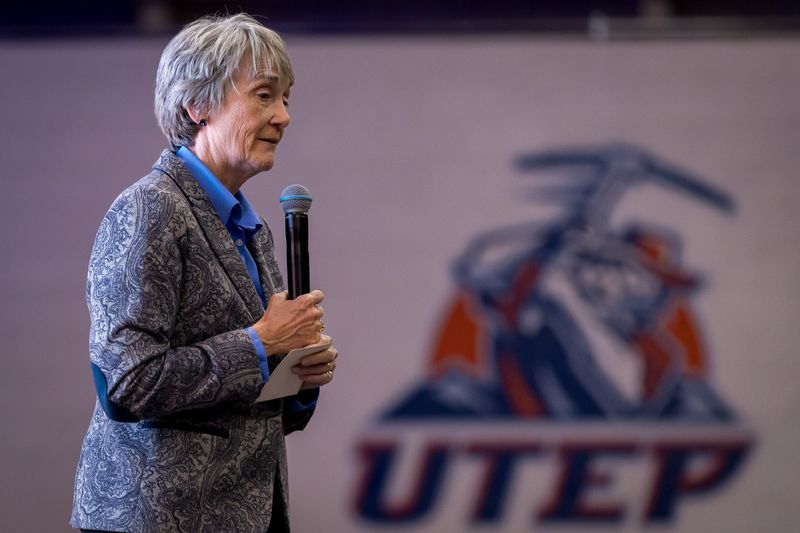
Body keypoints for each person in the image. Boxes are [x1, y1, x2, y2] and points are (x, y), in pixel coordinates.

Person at [70, 13, 338, 533]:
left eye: (286, 99)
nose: (283, 116)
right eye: (264, 96)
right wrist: (260, 343)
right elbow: (127, 385)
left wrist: (296, 376)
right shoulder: (151, 209)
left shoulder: (245, 224)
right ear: (198, 106)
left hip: (239, 514)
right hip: (157, 519)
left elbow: (241, 405)